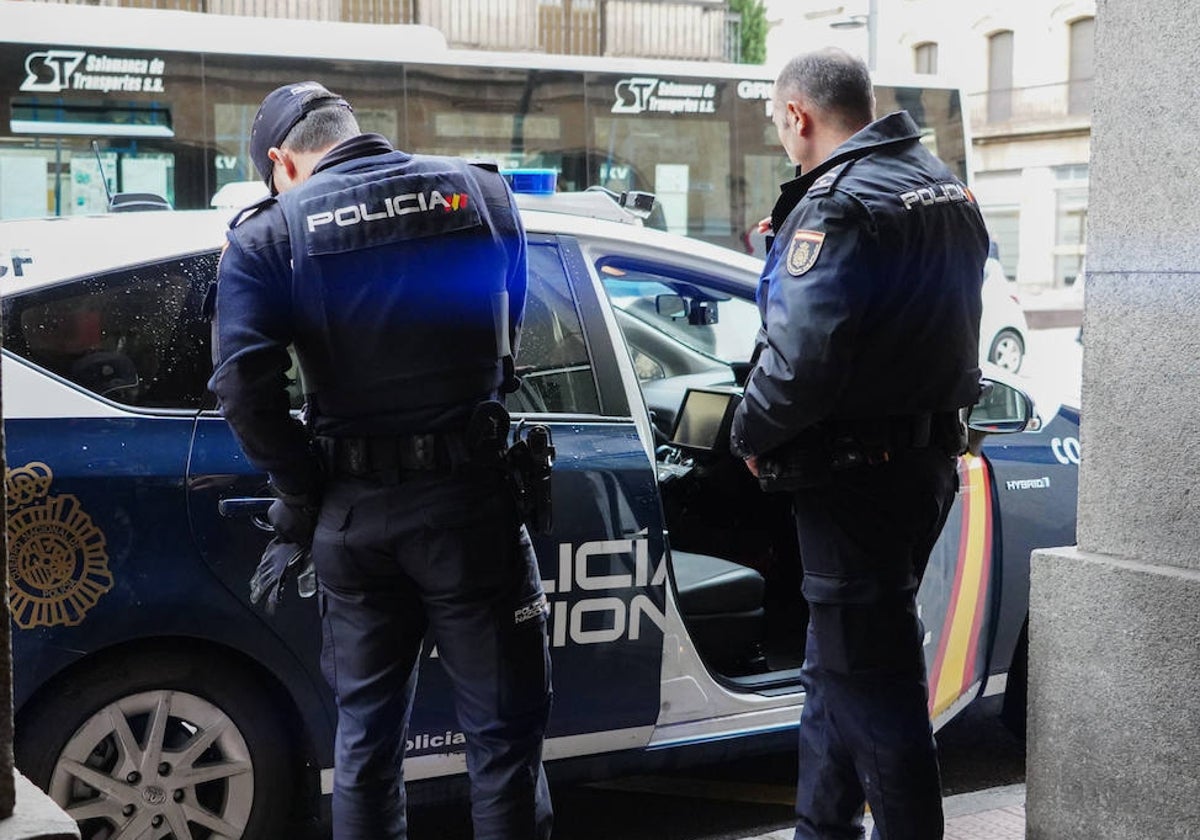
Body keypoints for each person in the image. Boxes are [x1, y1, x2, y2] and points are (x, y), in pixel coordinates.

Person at [208, 81, 553, 840]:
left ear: (280, 162)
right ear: (354, 130)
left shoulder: (269, 235)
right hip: (471, 506)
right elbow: (507, 333)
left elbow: (243, 391)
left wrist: (304, 490)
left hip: (354, 517)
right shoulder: (483, 194)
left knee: (364, 743)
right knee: (503, 746)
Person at [730, 50, 988, 840]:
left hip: (854, 478)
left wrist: (745, 433)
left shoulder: (835, 205)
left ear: (798, 116)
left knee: (876, 690)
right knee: (837, 669)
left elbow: (802, 363)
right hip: (922, 465)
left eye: (779, 124)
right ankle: (822, 827)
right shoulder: (942, 184)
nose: (783, 139)